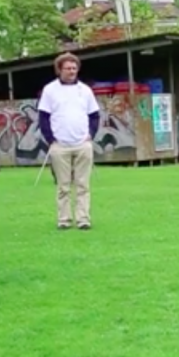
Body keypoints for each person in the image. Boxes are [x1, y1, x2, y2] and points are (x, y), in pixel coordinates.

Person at [37, 53, 100, 230]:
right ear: (59, 70)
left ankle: (83, 219)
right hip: (60, 145)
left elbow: (94, 115)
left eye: (74, 68)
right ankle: (64, 219)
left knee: (83, 185)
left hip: (82, 144)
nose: (71, 72)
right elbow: (43, 117)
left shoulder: (85, 90)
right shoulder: (50, 90)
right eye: (68, 68)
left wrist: (91, 135)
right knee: (63, 186)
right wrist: (50, 140)